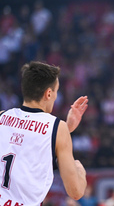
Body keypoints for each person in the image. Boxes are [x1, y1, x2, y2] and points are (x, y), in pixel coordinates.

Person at [0, 61, 88, 205]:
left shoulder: (2, 117)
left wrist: (66, 129)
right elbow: (75, 191)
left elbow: (22, 139)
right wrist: (79, 169)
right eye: (56, 91)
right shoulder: (57, 127)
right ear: (48, 93)